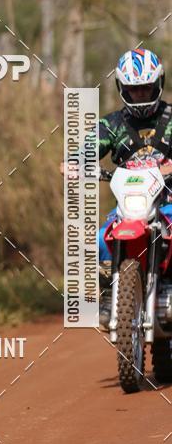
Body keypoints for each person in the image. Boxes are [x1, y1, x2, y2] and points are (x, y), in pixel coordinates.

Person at [61, 48, 172, 325]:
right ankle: (111, 291)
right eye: (134, 90)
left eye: (146, 88)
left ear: (159, 84)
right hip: (130, 207)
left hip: (168, 201)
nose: (140, 95)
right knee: (99, 240)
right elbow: (83, 151)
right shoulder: (112, 125)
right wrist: (74, 164)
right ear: (122, 88)